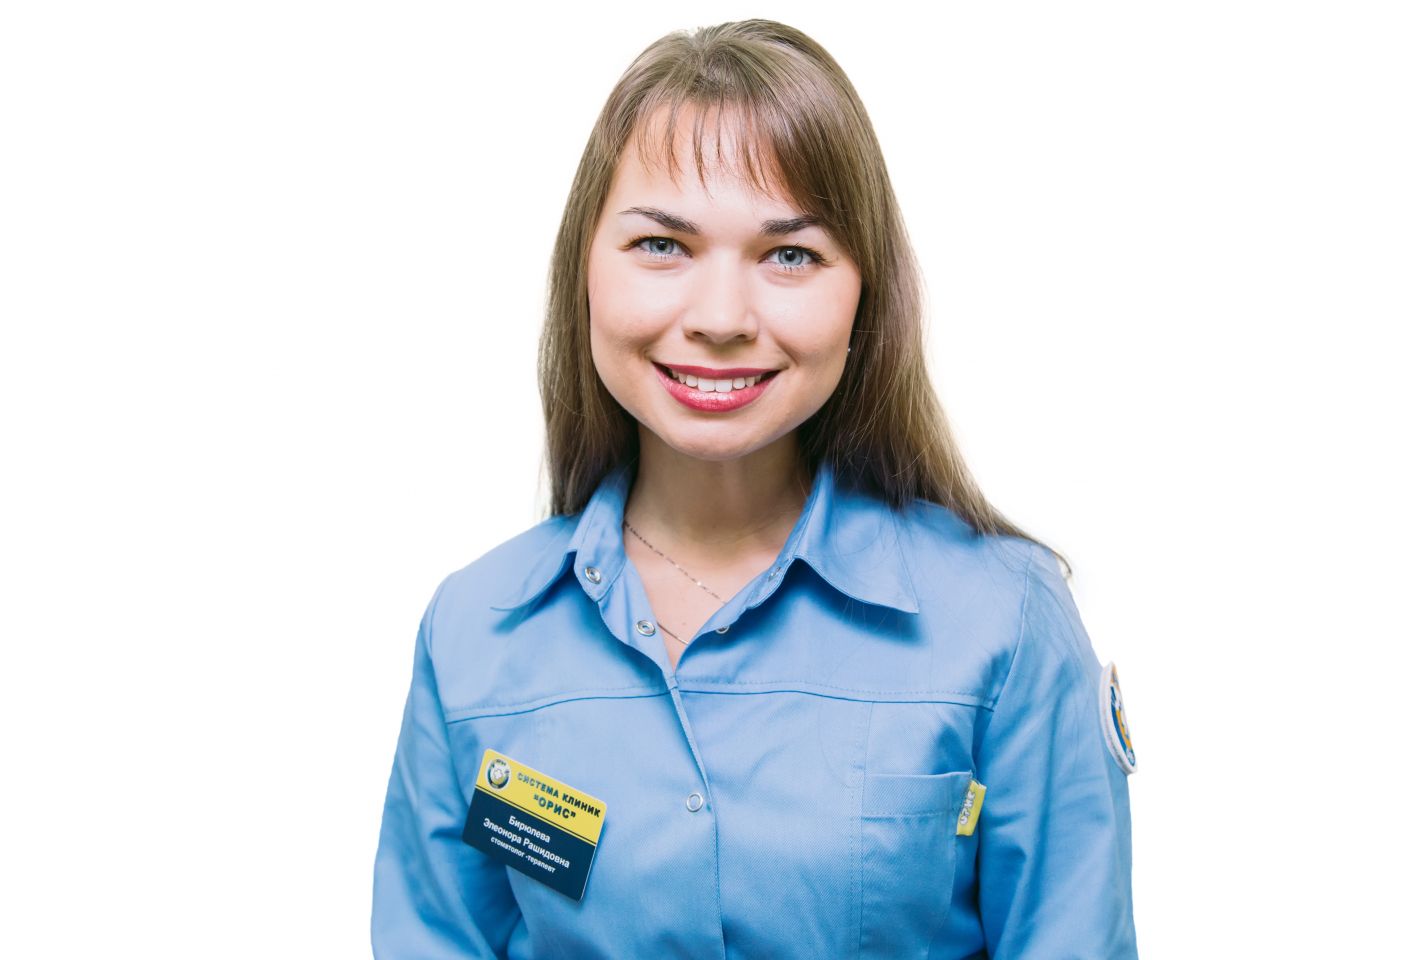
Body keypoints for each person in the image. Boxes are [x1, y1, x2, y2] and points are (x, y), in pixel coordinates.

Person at [371, 18, 1138, 960]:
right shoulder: (473, 634)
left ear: (866, 294)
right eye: (662, 245)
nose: (722, 317)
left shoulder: (1004, 622)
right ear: (584, 271)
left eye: (790, 256)